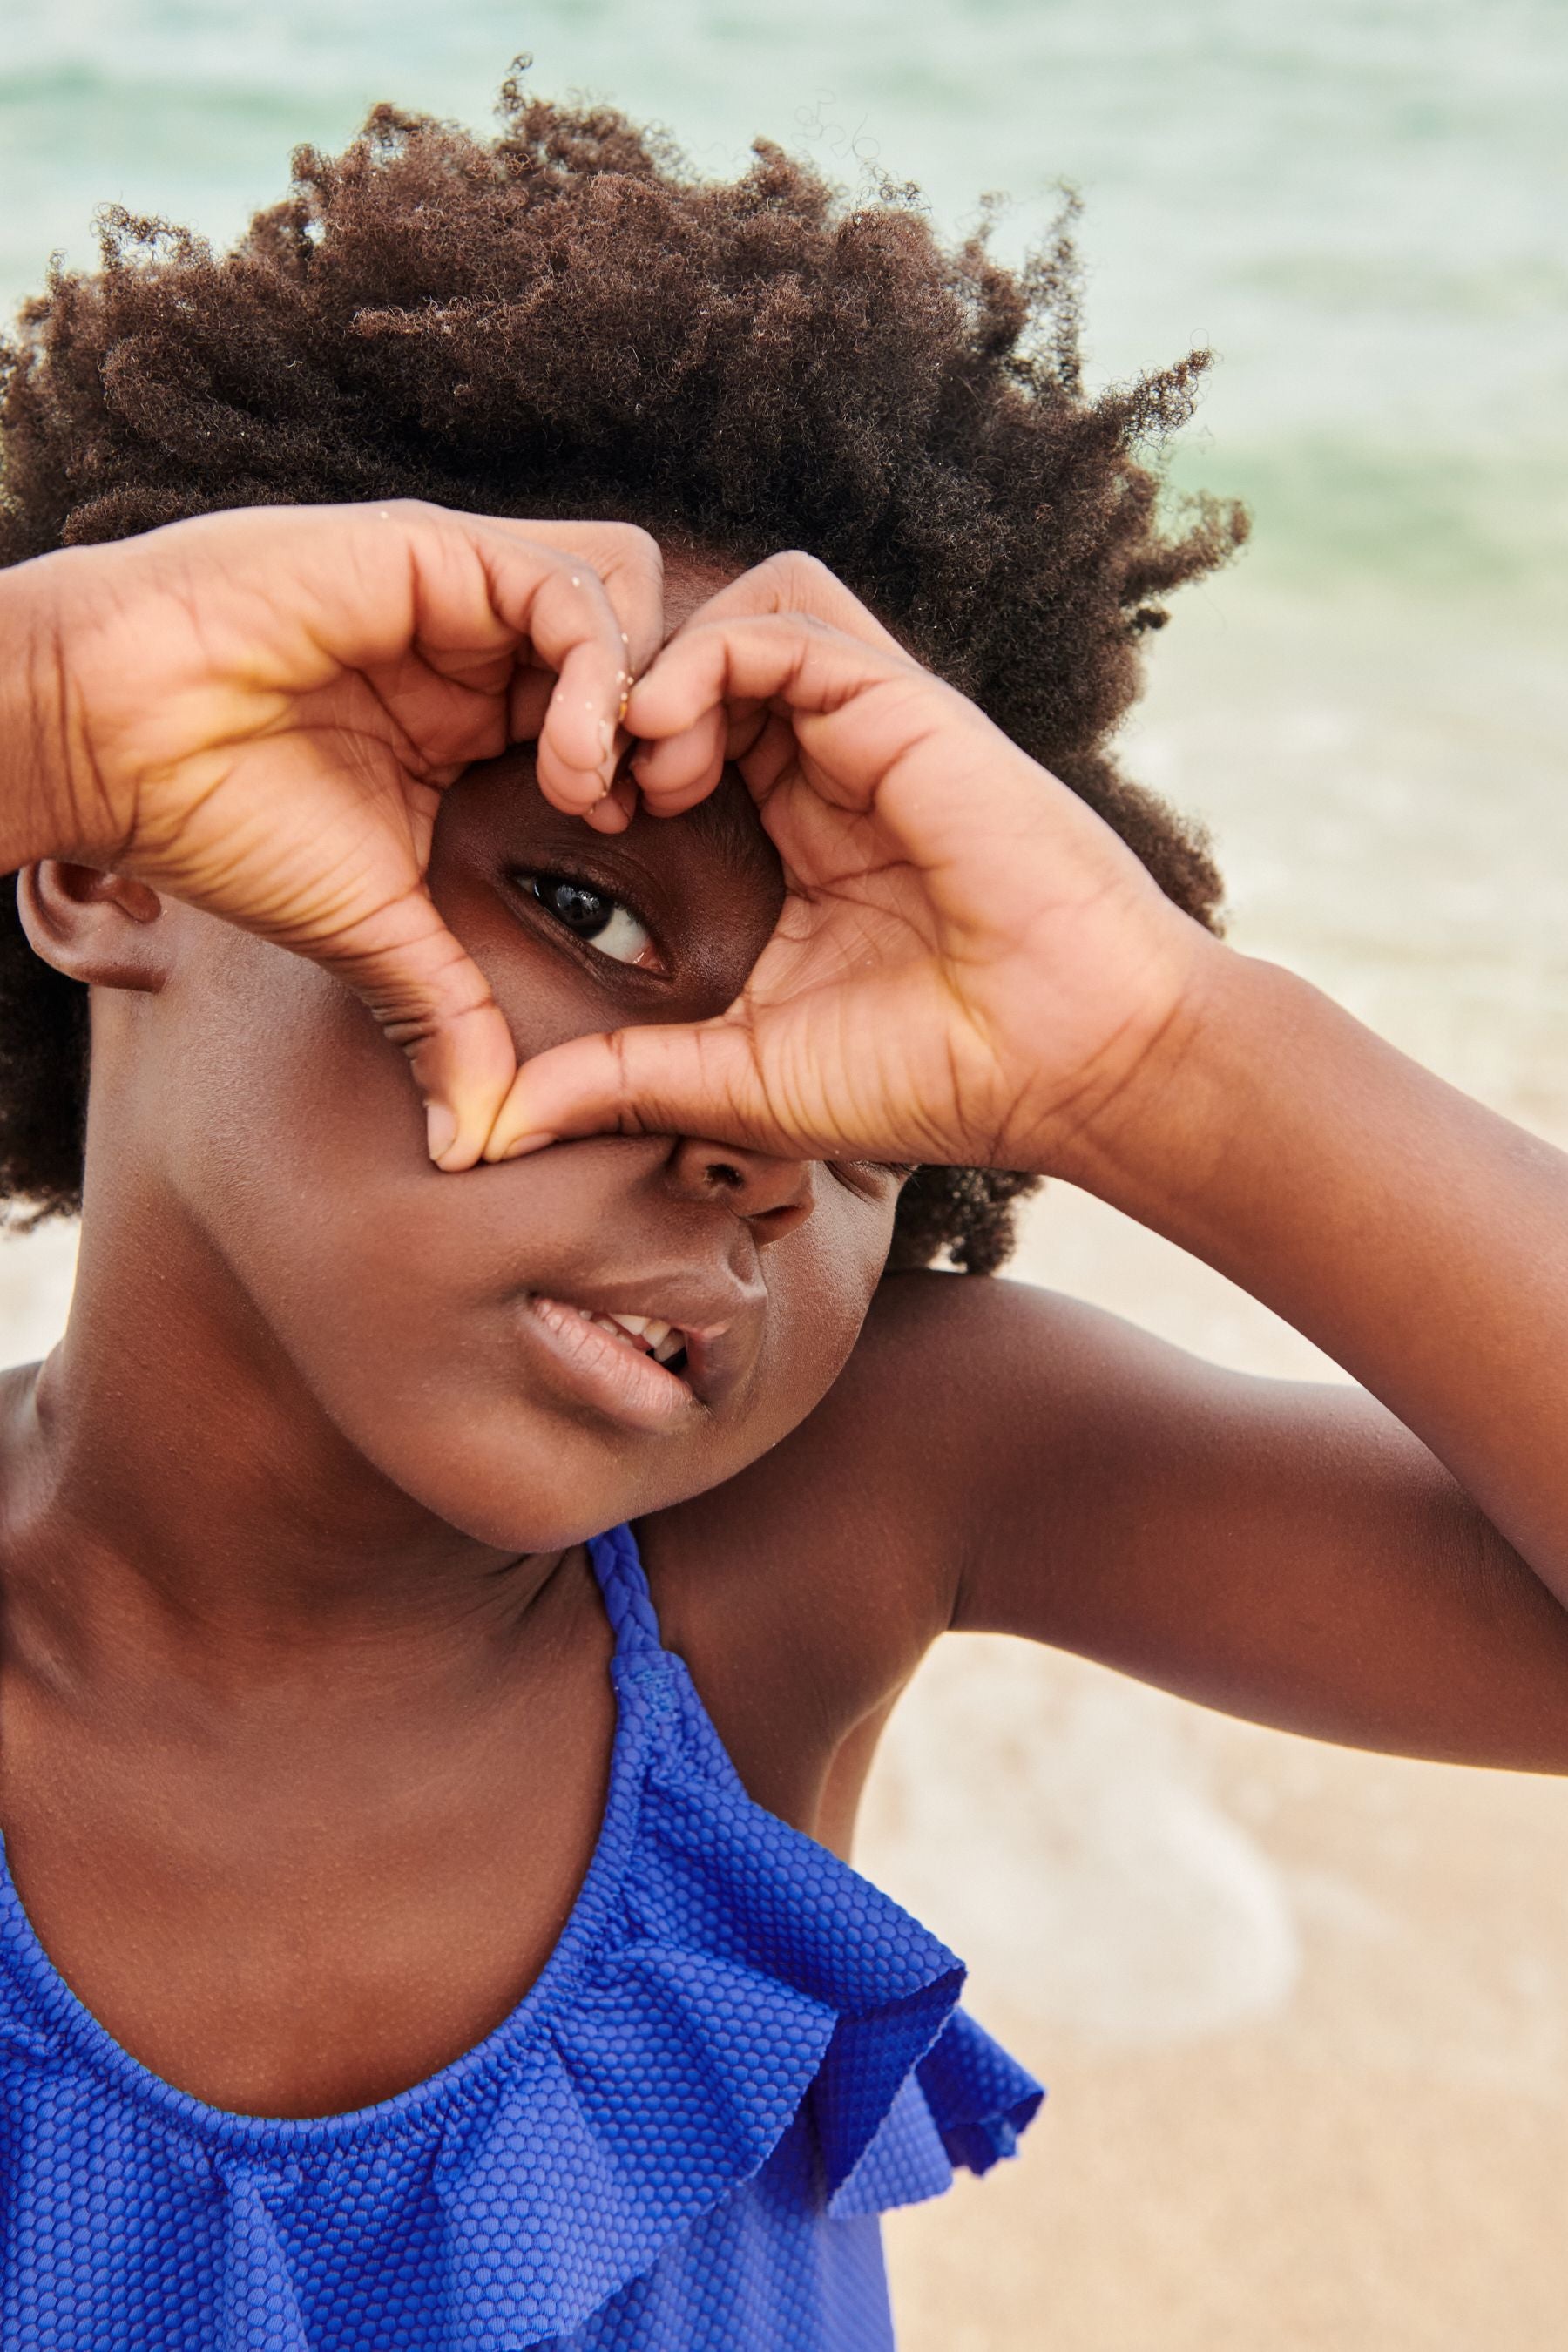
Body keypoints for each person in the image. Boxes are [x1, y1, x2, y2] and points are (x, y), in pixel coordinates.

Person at [2, 81, 1566, 2352]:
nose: (752, 1140)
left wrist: (1159, 1053)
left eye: (884, 1089)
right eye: (589, 908)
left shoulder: (827, 1517)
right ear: (119, 853)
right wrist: (39, 686)